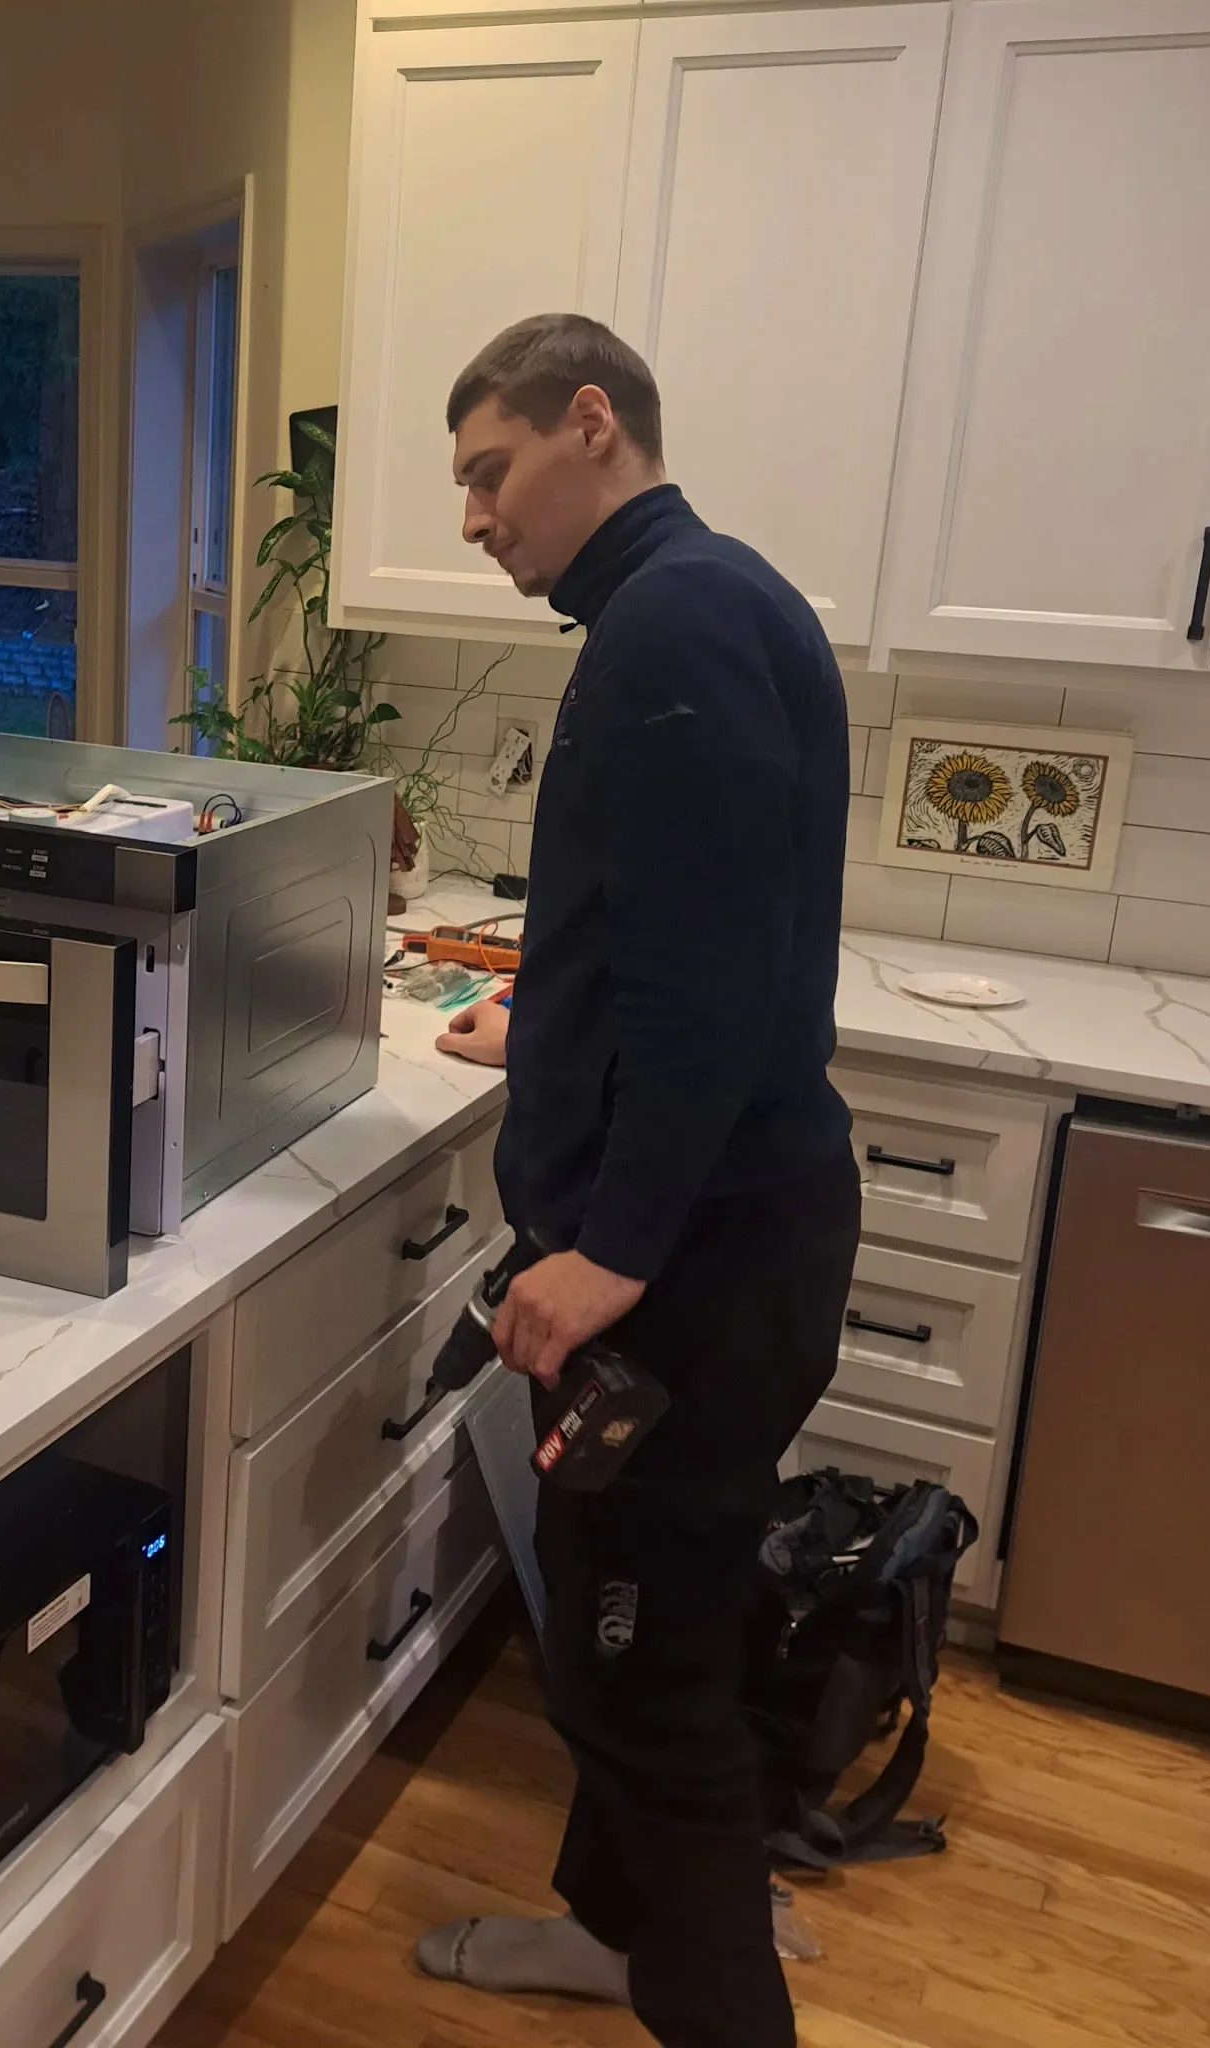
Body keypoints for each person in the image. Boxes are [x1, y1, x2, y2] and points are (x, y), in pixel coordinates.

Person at [416, 314, 861, 2048]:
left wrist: (612, 1248)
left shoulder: (670, 627)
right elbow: (676, 929)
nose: (476, 517)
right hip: (735, 1246)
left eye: (491, 472)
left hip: (692, 1279)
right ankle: (613, 1940)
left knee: (637, 1684)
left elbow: (709, 988)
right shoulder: (699, 603)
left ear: (590, 423)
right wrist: (547, 1024)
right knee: (657, 1632)